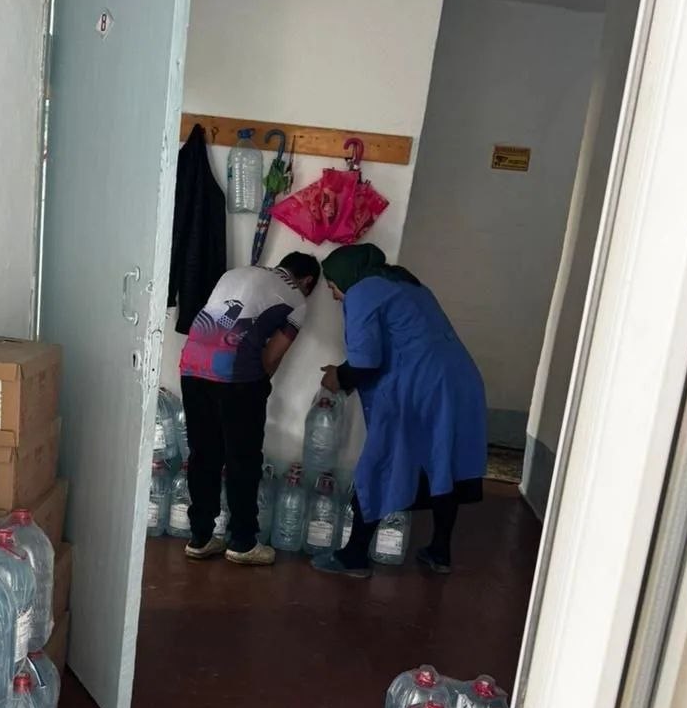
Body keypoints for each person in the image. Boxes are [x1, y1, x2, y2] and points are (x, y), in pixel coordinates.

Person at [314, 244, 486, 578]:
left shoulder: (361, 292)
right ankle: (439, 551)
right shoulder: (408, 285)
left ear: (347, 276)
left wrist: (339, 377)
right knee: (443, 461)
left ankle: (354, 556)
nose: (334, 295)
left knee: (381, 460)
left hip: (419, 387)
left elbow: (366, 361)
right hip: (459, 381)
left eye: (332, 286)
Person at [179, 252, 322, 565]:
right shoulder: (298, 299)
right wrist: (259, 386)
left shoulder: (236, 272)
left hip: (192, 364)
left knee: (203, 453)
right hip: (235, 376)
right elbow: (271, 356)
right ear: (308, 281)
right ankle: (242, 542)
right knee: (242, 459)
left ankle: (200, 537)